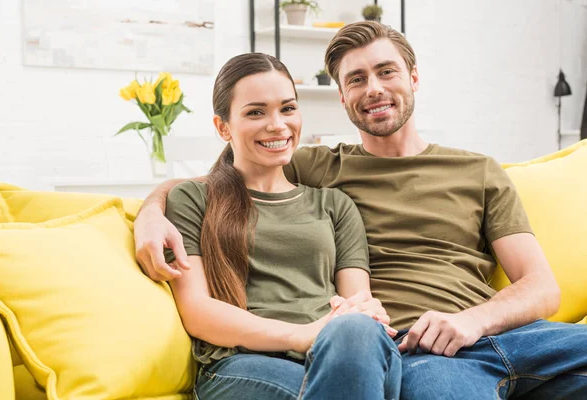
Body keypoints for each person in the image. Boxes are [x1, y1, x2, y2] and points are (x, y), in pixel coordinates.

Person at [135, 22, 587, 399]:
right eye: (356, 79)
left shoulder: (478, 170)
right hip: (415, 351)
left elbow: (542, 288)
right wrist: (152, 212)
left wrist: (471, 321)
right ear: (341, 96)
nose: (373, 89)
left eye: (386, 71)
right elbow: (224, 178)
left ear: (413, 76)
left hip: (497, 334)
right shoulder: (319, 167)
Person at [161, 52, 402, 400]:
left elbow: (355, 303)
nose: (277, 125)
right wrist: (302, 335)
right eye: (256, 112)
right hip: (245, 363)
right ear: (222, 127)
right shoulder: (194, 199)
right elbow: (197, 310)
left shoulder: (334, 205)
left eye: (287, 108)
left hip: (340, 355)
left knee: (357, 332)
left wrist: (358, 320)